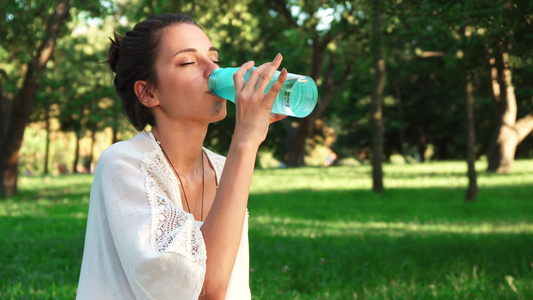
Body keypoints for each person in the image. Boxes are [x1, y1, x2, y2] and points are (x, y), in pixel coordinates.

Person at [76, 13, 287, 299]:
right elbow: (205, 289)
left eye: (214, 58)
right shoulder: (123, 162)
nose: (212, 71)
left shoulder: (225, 168)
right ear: (148, 92)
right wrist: (246, 140)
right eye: (188, 62)